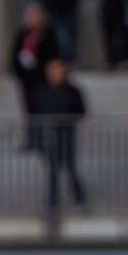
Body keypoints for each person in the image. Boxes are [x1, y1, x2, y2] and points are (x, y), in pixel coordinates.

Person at [30, 58, 87, 212]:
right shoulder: (41, 91)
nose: (55, 74)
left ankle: (80, 199)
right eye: (52, 70)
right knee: (52, 170)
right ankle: (52, 202)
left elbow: (81, 111)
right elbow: (35, 113)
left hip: (67, 134)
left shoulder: (73, 91)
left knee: (71, 168)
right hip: (50, 136)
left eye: (58, 70)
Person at [8, 4, 60, 149]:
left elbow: (53, 56)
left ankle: (42, 139)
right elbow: (15, 56)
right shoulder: (22, 34)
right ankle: (32, 139)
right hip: (26, 80)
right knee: (29, 110)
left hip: (42, 79)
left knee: (41, 110)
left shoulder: (48, 35)